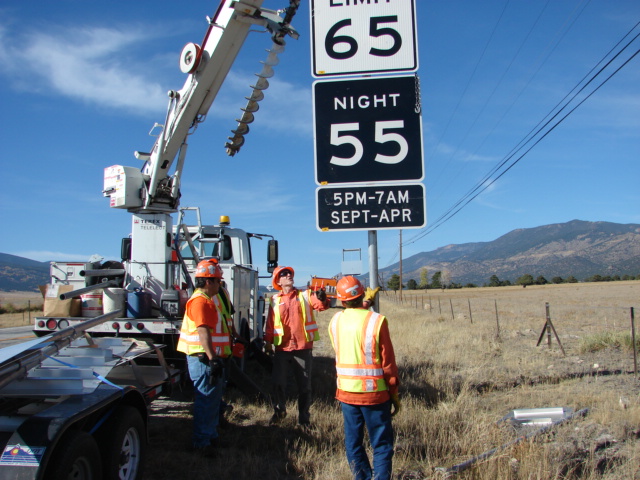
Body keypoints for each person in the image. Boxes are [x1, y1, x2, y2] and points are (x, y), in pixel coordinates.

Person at [328, 276, 401, 480]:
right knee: (381, 444)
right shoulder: (377, 321)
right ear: (362, 295)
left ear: (342, 301)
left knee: (353, 444)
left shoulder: (336, 321)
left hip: (347, 394)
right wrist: (393, 392)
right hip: (375, 395)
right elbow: (388, 364)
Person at [263, 266, 329, 428]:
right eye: (284, 274)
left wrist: (322, 297)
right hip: (282, 348)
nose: (288, 276)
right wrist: (268, 342)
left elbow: (321, 306)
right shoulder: (275, 300)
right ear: (278, 281)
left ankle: (304, 420)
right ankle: (279, 412)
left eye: (289, 274)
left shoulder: (305, 295)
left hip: (302, 347)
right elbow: (270, 323)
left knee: (304, 386)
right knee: (278, 383)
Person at [177, 259, 231, 454]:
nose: (220, 284)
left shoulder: (205, 299)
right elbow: (203, 331)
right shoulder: (200, 301)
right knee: (206, 400)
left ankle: (210, 436)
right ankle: (201, 442)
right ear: (208, 281)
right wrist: (212, 358)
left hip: (206, 358)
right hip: (203, 359)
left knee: (212, 400)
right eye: (218, 280)